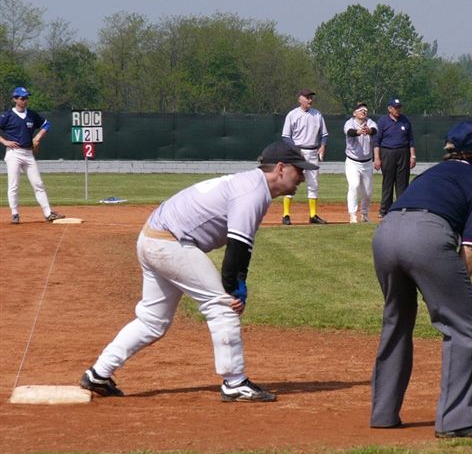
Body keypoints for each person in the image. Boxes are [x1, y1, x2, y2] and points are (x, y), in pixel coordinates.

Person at [80, 141, 317, 401]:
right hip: (169, 242)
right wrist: (234, 290)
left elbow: (241, 249)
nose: (303, 177)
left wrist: (238, 283)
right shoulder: (253, 191)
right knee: (223, 307)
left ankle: (98, 373)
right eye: (299, 170)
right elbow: (236, 249)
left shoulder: (251, 185)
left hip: (153, 237)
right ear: (281, 168)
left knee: (152, 320)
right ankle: (234, 382)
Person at [370, 120, 472, 438]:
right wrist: (463, 290)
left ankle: (384, 413)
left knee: (396, 321)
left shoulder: (428, 174)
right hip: (426, 237)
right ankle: (456, 421)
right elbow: (470, 247)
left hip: (385, 234)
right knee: (463, 326)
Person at [0, 87, 65, 224]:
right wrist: (4, 141)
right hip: (14, 154)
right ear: (15, 99)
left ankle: (48, 214)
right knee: (13, 185)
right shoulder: (7, 116)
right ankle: (15, 214)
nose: (25, 100)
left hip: (28, 153)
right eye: (22, 98)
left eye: (26, 97)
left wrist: (38, 137)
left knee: (38, 183)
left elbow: (47, 124)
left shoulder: (31, 115)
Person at [281, 88, 329, 225]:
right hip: (297, 153)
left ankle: (313, 215)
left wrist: (323, 146)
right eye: (307, 97)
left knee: (313, 183)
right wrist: (295, 149)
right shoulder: (292, 114)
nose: (310, 100)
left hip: (313, 151)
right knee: (290, 182)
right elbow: (286, 136)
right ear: (300, 99)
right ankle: (286, 215)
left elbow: (324, 134)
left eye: (311, 97)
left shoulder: (317, 114)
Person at [373, 97, 417, 218]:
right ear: (389, 109)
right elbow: (377, 141)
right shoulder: (382, 121)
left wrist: (412, 156)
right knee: (388, 181)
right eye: (396, 108)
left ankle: (401, 207)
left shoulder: (405, 121)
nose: (398, 110)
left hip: (403, 152)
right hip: (387, 152)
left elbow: (411, 140)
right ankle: (384, 210)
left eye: (399, 107)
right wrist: (377, 158)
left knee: (402, 182)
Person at [343, 102, 377, 223]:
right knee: (354, 185)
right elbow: (349, 132)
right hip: (352, 162)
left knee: (367, 192)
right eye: (360, 110)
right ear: (354, 113)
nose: (363, 111)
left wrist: (368, 131)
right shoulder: (350, 123)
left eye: (365, 110)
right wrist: (359, 131)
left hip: (367, 162)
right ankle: (353, 214)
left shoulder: (370, 122)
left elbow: (374, 130)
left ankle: (364, 214)